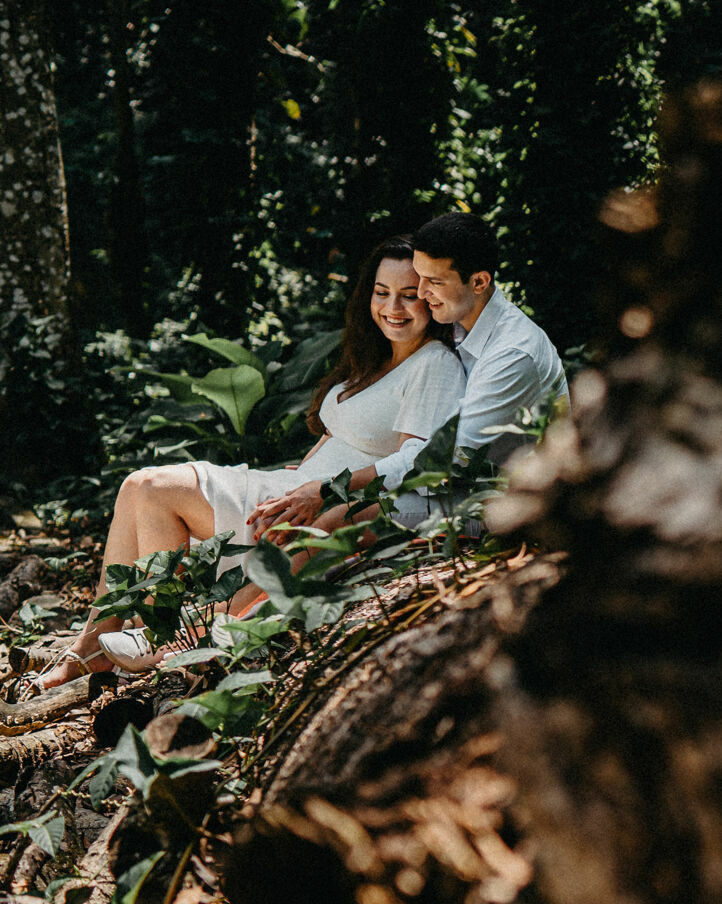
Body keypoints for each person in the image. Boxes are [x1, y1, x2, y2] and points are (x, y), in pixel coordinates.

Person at [34, 235, 465, 689]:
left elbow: (416, 460)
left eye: (409, 294)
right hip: (296, 485)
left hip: (325, 502)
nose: (393, 307)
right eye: (382, 292)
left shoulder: (433, 364)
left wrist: (320, 491)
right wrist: (302, 475)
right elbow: (340, 434)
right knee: (137, 486)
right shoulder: (374, 360)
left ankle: (164, 636)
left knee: (155, 490)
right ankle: (93, 647)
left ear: (432, 298)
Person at [258, 211, 563, 535]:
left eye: (434, 282)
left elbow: (442, 462)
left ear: (479, 282)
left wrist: (327, 486)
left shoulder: (512, 354)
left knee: (341, 515)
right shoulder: (459, 323)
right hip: (455, 484)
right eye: (420, 278)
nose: (421, 292)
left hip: (500, 500)